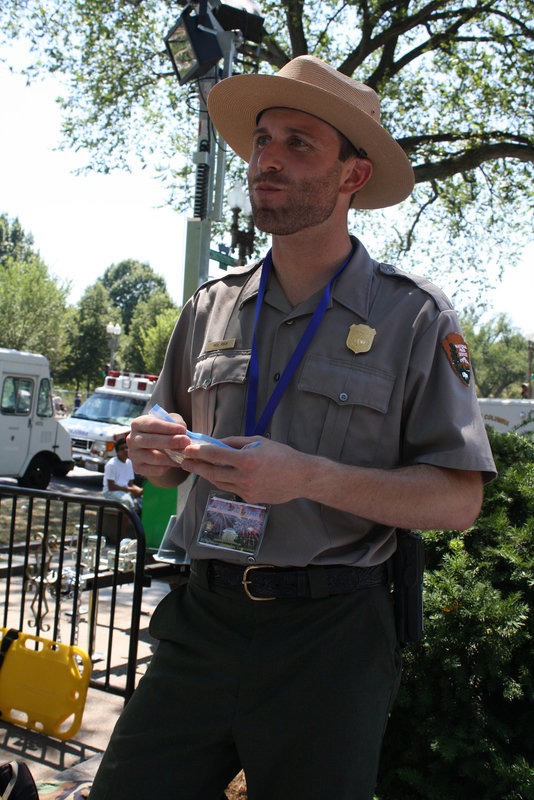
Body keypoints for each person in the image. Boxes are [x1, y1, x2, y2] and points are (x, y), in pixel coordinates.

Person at [90, 56, 496, 800]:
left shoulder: (414, 318)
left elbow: (457, 500)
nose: (266, 159)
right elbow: (171, 447)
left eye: (298, 144)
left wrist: (306, 476)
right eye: (263, 139)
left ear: (354, 176)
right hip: (202, 620)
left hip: (332, 639)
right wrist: (154, 450)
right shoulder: (209, 307)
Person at [102, 438, 143, 513]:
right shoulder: (112, 464)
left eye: (127, 448)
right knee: (127, 501)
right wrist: (130, 490)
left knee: (143, 500)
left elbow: (130, 484)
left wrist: (139, 491)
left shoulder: (129, 463)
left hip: (125, 491)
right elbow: (111, 487)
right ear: (117, 452)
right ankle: (124, 524)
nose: (125, 450)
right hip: (110, 492)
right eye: (122, 449)